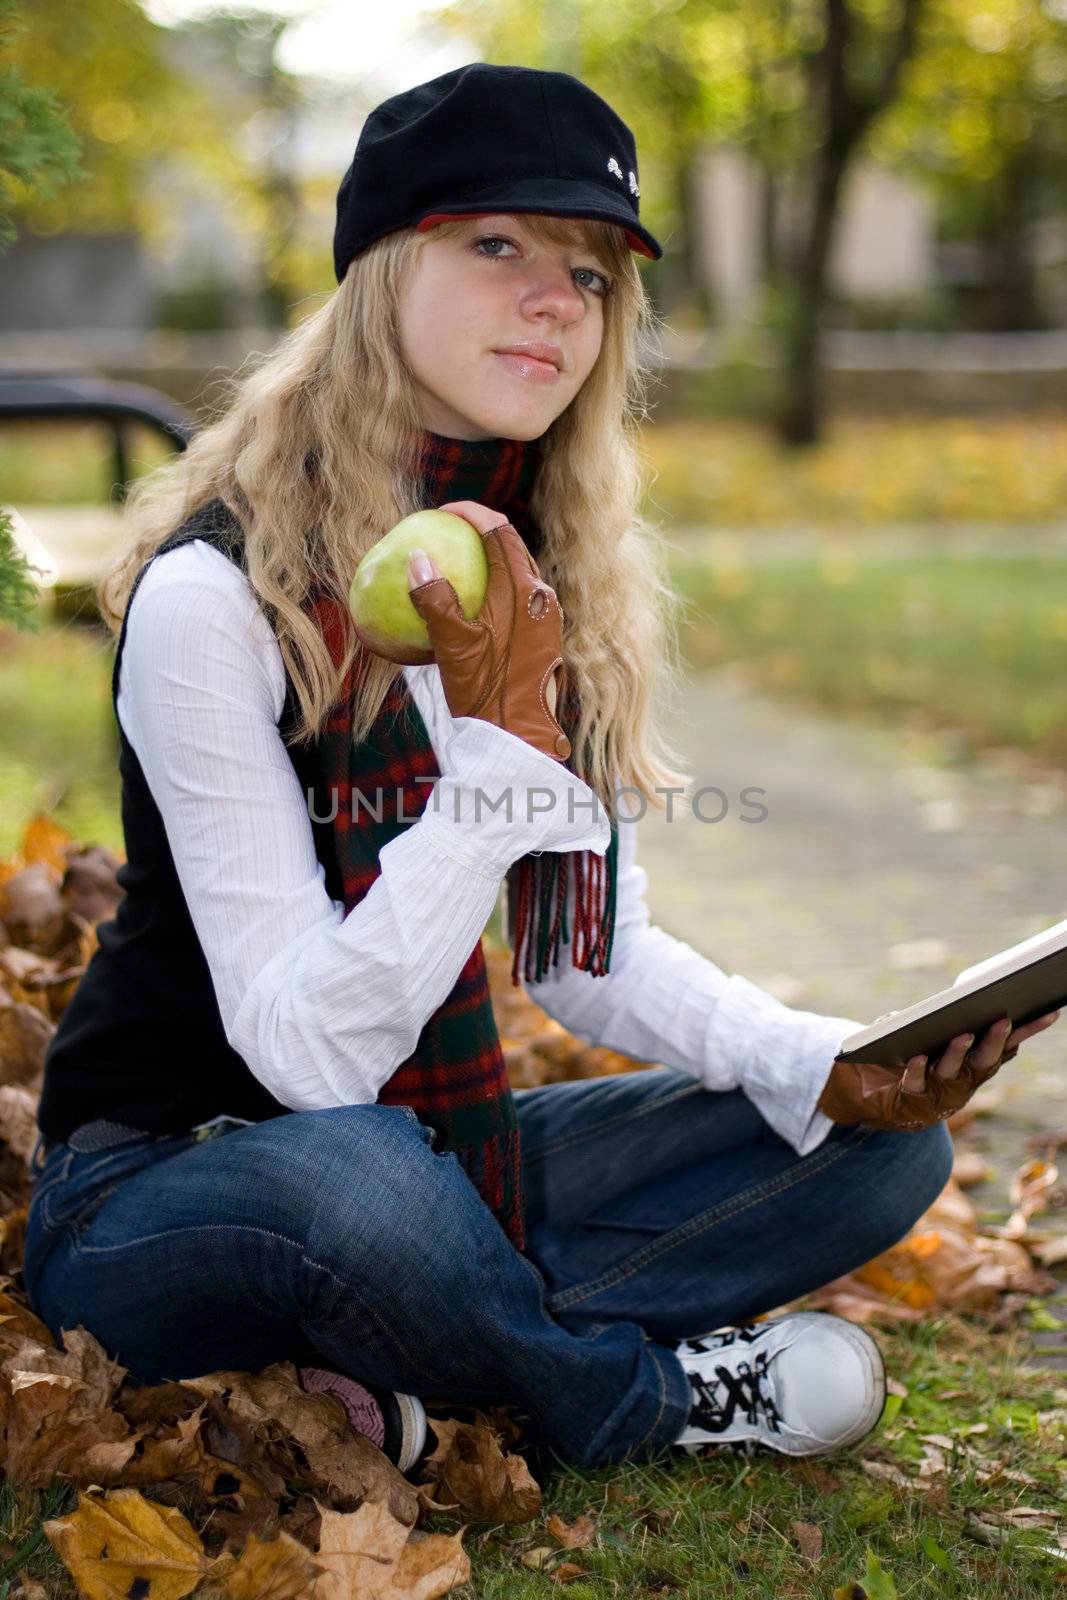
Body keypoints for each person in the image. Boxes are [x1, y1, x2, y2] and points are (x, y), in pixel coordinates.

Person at [23, 63, 1061, 1478]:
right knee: (364, 1180)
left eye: (588, 269)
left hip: (434, 1161)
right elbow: (310, 1061)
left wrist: (823, 1065)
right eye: (496, 245)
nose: (556, 299)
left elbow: (583, 960)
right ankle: (645, 1397)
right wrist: (500, 762)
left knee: (882, 1153)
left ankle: (401, 1361)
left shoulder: (542, 568)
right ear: (385, 271)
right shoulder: (223, 593)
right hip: (171, 1181)